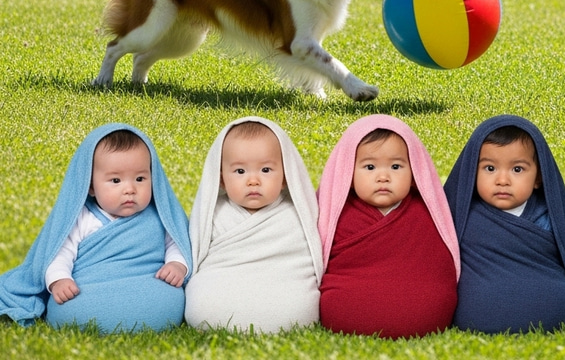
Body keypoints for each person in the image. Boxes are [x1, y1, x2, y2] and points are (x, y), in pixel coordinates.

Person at [0, 123, 191, 333]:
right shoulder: (82, 218)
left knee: (169, 297)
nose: (130, 189)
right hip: (91, 286)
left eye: (140, 178)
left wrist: (177, 265)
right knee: (68, 308)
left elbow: (177, 242)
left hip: (147, 281)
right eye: (116, 180)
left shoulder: (159, 215)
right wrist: (59, 280)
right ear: (90, 186)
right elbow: (59, 252)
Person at [317, 114, 459, 339]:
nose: (383, 176)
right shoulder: (334, 213)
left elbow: (439, 266)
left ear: (414, 172)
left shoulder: (429, 211)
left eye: (395, 166)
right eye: (370, 166)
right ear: (348, 172)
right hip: (346, 312)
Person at [184, 117, 323, 333]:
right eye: (240, 171)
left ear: (286, 176)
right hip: (220, 292)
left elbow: (307, 258)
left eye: (266, 170)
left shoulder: (297, 214)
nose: (253, 181)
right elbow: (198, 255)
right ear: (221, 179)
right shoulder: (213, 213)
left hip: (285, 292)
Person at [443, 114, 565, 333]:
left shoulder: (550, 216)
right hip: (479, 310)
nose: (502, 180)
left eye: (517, 169)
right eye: (489, 168)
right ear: (471, 172)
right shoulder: (461, 215)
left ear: (538, 178)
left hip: (550, 303)